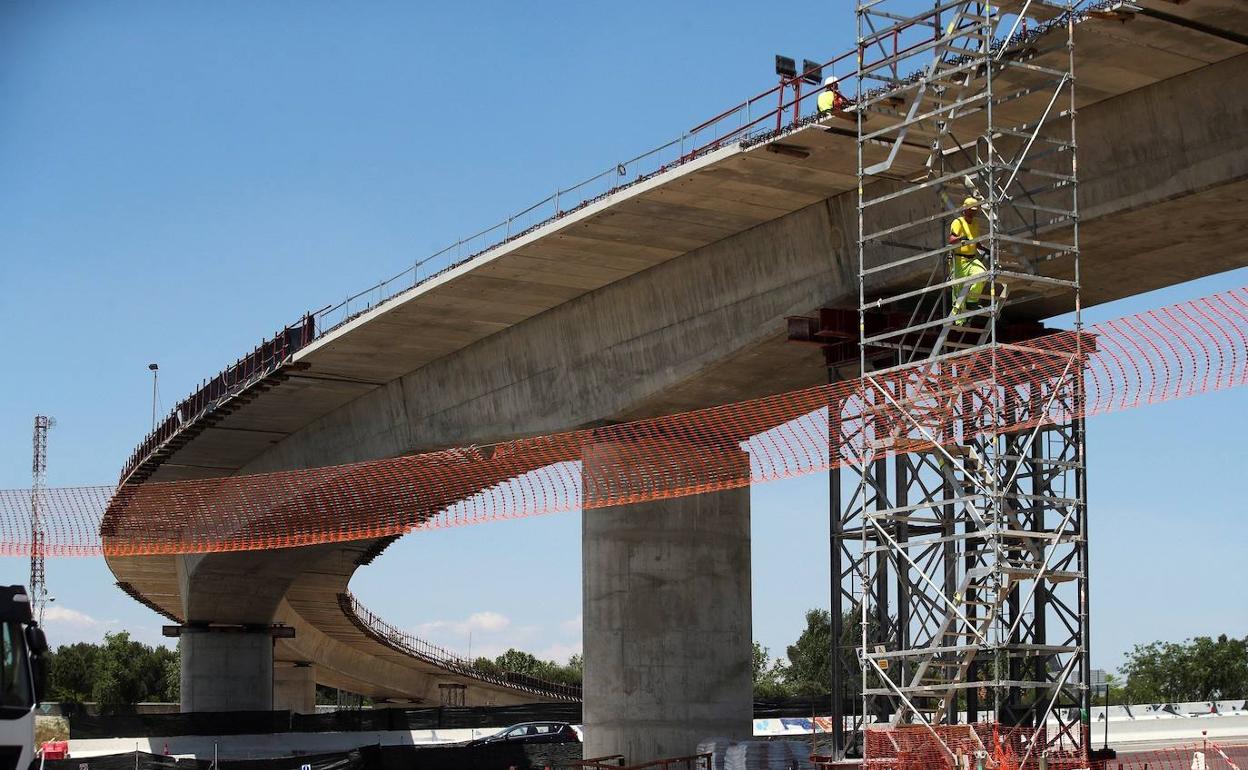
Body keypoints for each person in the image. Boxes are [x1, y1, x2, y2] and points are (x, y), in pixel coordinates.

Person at [947, 197, 987, 322]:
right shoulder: (958, 222)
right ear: (965, 209)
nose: (973, 212)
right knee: (959, 293)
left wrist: (984, 249)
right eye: (971, 210)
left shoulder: (975, 224)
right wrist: (961, 237)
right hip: (959, 261)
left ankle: (972, 302)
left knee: (982, 274)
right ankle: (960, 322)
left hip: (972, 259)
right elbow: (951, 240)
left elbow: (976, 241)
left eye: (975, 210)